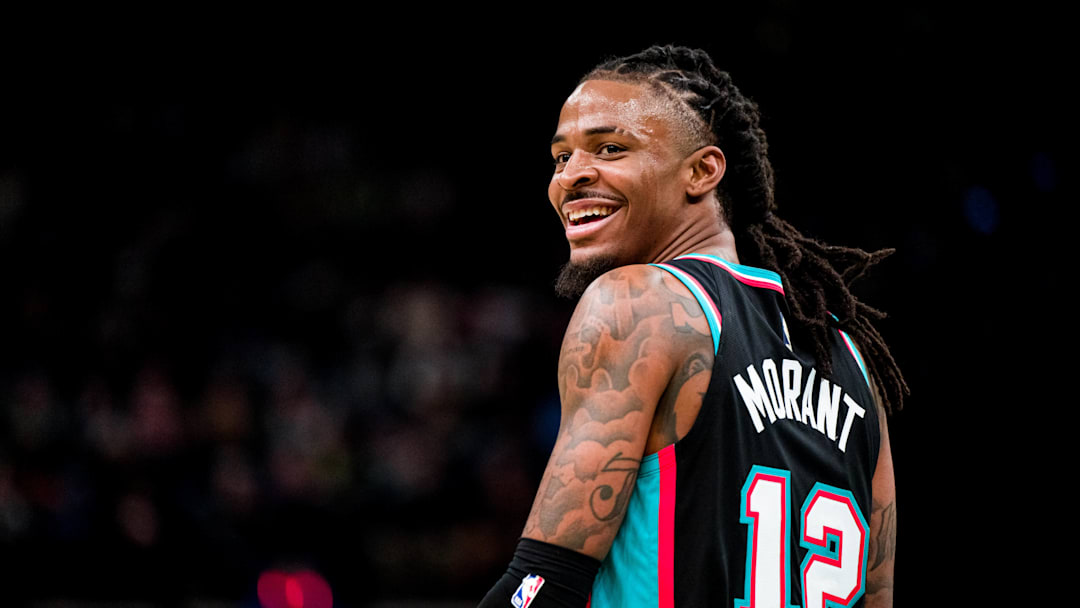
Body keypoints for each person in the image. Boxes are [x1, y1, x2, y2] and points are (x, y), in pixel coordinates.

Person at [479, 45, 905, 608]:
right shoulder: (850, 359)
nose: (573, 176)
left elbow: (544, 581)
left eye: (610, 148)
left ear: (703, 171)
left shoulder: (640, 301)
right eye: (560, 158)